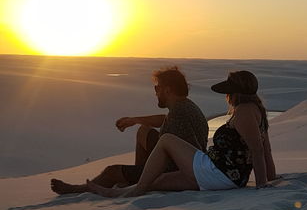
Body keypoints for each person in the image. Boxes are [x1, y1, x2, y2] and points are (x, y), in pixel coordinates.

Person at [86, 70, 277, 198]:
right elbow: (266, 149)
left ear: (235, 92)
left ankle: (135, 190)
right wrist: (272, 177)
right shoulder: (256, 110)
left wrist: (261, 185)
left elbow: (257, 150)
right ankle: (121, 192)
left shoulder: (244, 111)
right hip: (219, 177)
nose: (226, 95)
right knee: (158, 181)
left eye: (228, 91)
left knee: (167, 140)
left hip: (216, 172)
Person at [51, 66, 209, 194]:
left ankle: (80, 189)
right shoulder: (184, 107)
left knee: (111, 172)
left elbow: (188, 152)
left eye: (157, 88)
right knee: (144, 131)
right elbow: (164, 119)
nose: (155, 92)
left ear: (167, 90)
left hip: (173, 170)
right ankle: (136, 175)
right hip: (178, 162)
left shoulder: (180, 113)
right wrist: (135, 120)